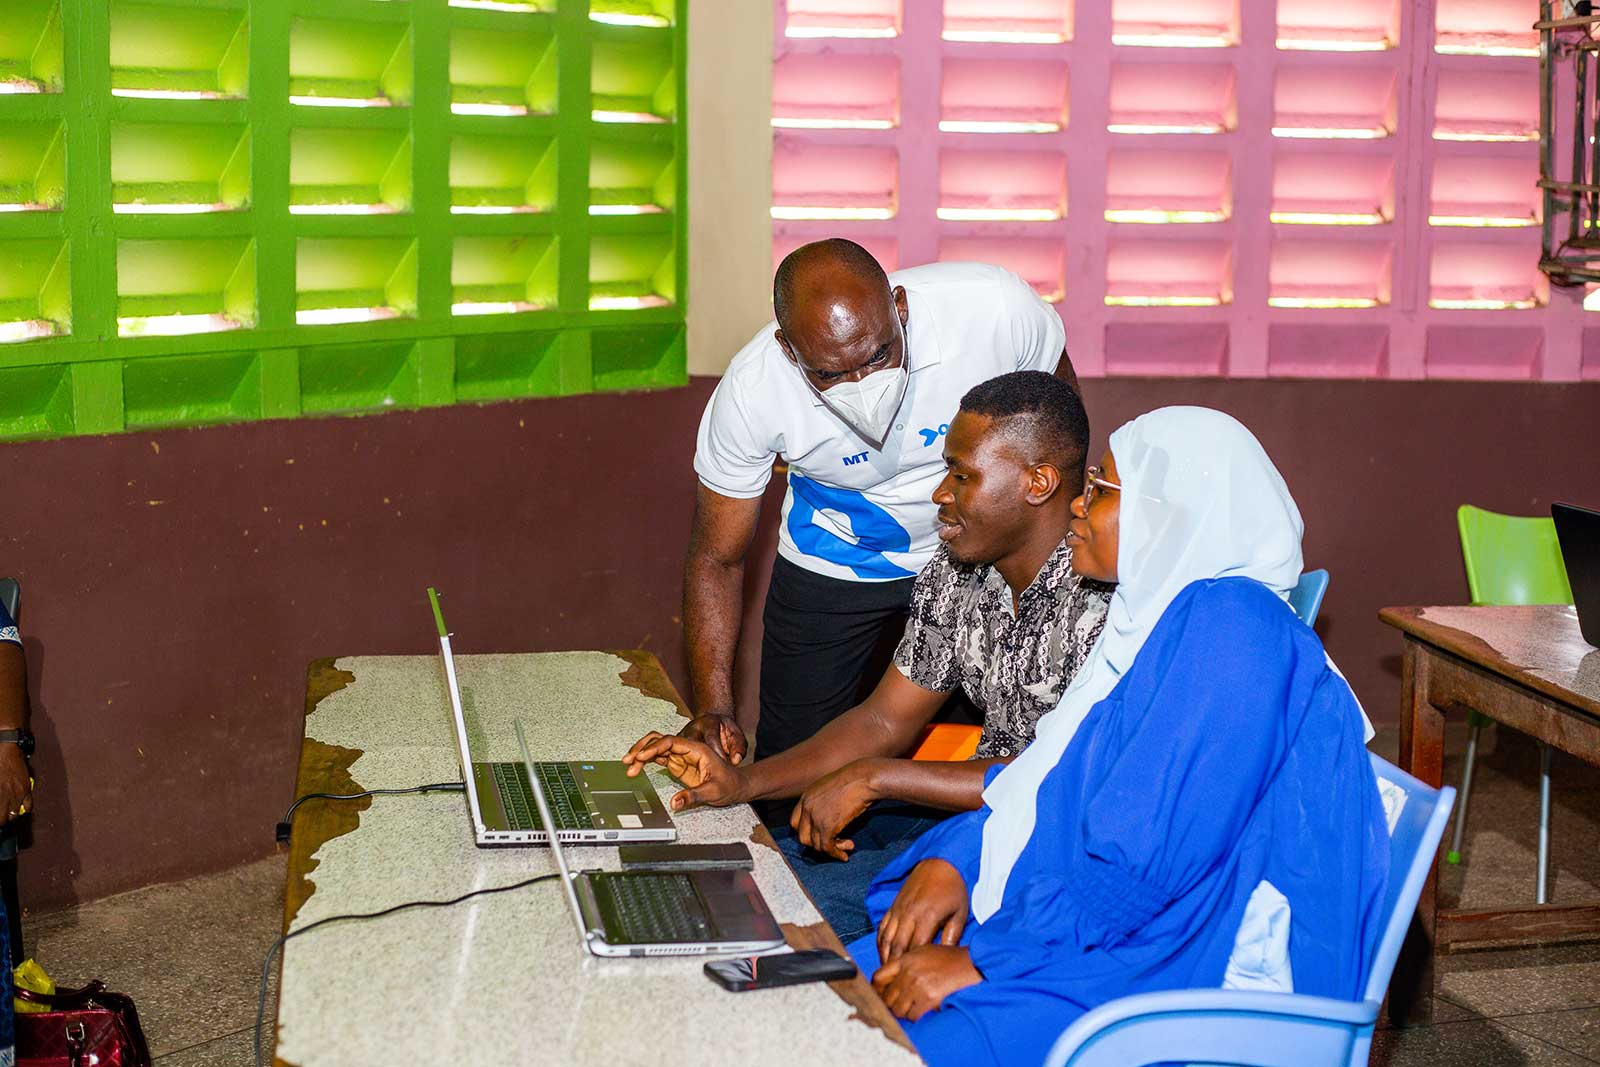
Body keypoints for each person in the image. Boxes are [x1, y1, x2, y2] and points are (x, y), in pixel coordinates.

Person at [847, 407, 1388, 1067]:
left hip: (1175, 953)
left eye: (1101, 490)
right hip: (1092, 922)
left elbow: (1145, 863)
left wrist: (986, 961)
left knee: (872, 1041)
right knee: (831, 985)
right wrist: (961, 857)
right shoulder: (1152, 621)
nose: (1078, 505)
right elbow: (1053, 779)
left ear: (1173, 513)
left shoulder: (1236, 627)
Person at [626, 371, 1110, 942]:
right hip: (973, 819)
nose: (941, 493)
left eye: (962, 475)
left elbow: (1057, 776)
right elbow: (882, 720)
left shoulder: (1105, 601)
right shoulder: (956, 574)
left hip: (1053, 851)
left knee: (775, 912)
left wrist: (875, 778)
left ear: (1039, 482)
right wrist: (741, 782)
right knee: (758, 864)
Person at [684, 240, 1077, 773]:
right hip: (837, 556)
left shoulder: (993, 312)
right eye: (829, 373)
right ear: (788, 351)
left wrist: (1052, 581)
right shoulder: (753, 392)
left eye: (878, 356)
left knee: (1005, 731)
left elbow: (1061, 442)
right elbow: (718, 557)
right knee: (793, 757)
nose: (862, 386)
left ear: (901, 308)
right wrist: (714, 709)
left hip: (977, 552)